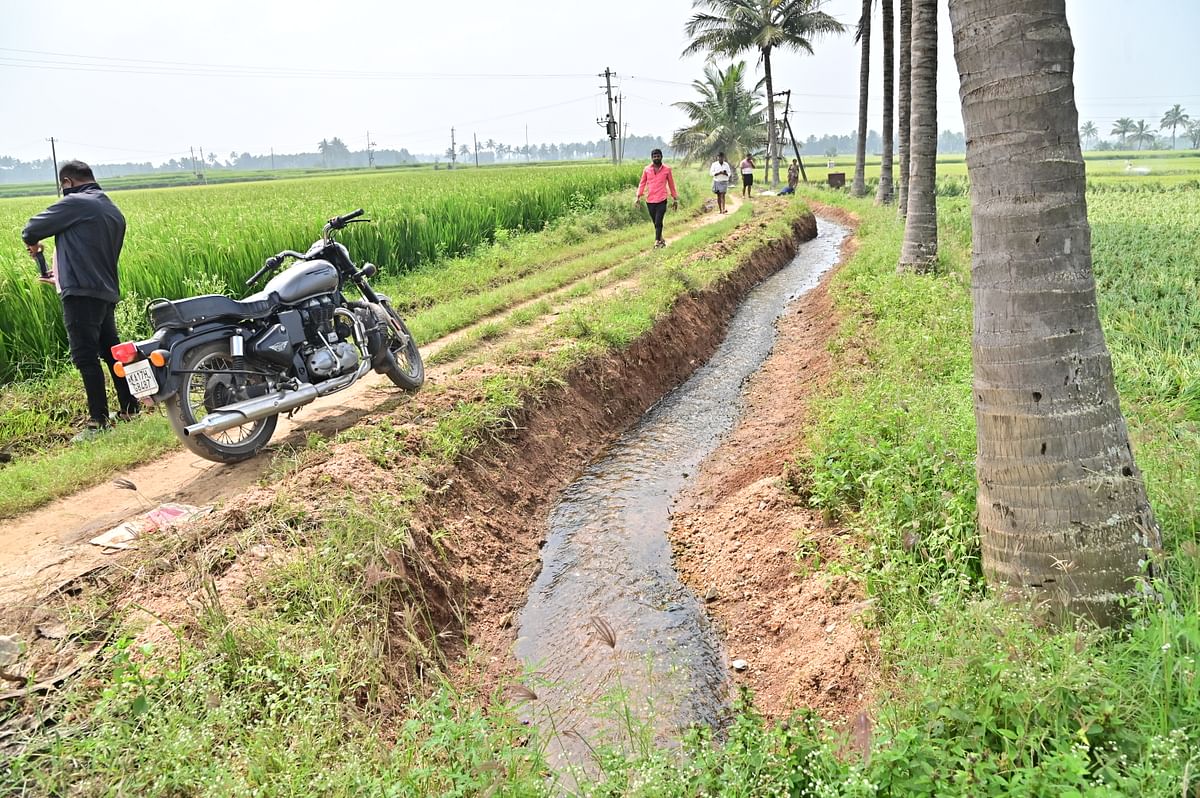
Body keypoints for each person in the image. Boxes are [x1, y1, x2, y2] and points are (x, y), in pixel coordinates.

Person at [22, 160, 138, 442]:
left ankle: (98, 421)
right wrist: (61, 275)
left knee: (85, 356)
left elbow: (31, 229)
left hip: (82, 294)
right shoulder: (110, 208)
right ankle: (130, 408)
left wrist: (35, 245)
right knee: (111, 353)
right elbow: (89, 253)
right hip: (104, 291)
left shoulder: (76, 203)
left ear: (67, 183)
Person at [634, 148, 678, 248]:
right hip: (650, 200)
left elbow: (671, 184)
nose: (656, 158)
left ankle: (657, 241)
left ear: (661, 157)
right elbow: (642, 183)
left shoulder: (667, 169)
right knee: (655, 222)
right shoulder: (646, 169)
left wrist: (675, 198)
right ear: (652, 158)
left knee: (659, 221)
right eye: (654, 156)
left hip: (662, 199)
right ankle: (661, 238)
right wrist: (638, 196)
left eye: (658, 156)